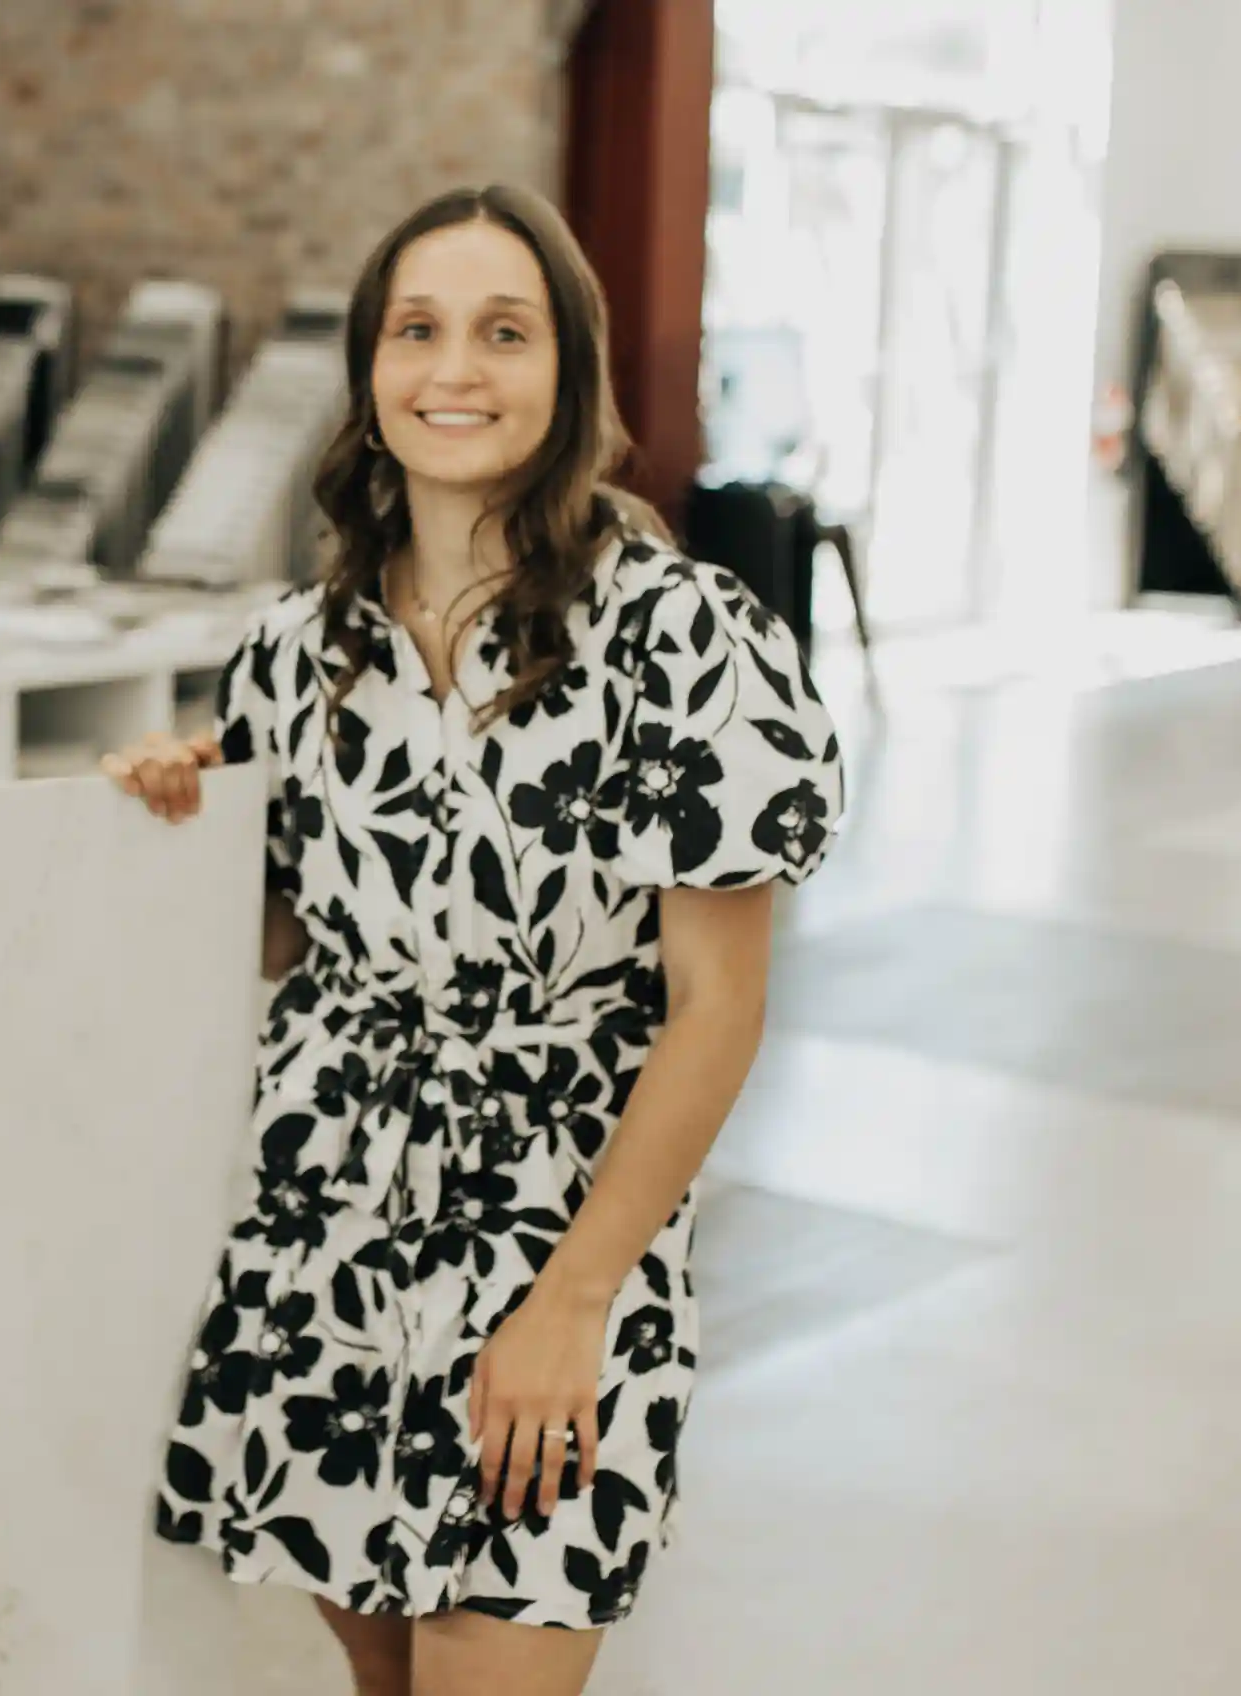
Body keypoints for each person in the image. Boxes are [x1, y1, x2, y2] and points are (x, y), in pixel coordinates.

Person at [102, 183, 844, 1696]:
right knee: (384, 1679)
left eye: (505, 333)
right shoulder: (292, 652)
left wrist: (572, 1305)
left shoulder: (685, 638)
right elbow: (285, 944)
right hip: (323, 1231)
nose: (457, 370)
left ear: (568, 370)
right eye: (418, 330)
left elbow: (716, 1007)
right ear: (370, 377)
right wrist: (170, 812)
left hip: (560, 1229)